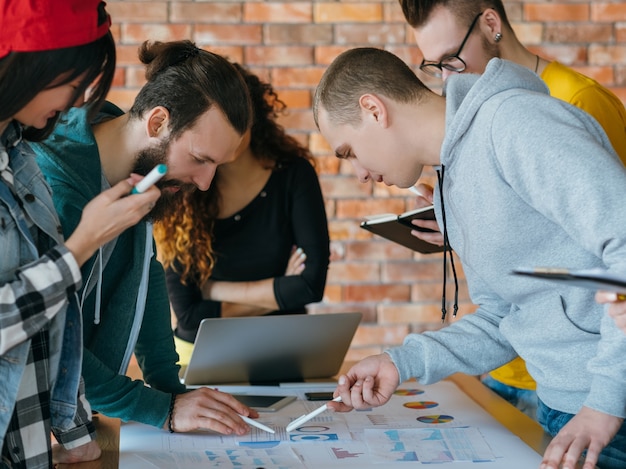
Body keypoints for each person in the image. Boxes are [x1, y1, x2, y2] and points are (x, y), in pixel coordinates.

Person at [314, 47, 626, 469]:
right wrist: (398, 361)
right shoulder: (449, 186)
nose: (361, 175)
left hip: (611, 412)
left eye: (349, 152)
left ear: (373, 109)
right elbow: (502, 317)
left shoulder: (517, 124)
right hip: (566, 408)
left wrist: (605, 403)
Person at [397, 0, 626, 420]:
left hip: (589, 384)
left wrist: (604, 402)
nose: (447, 79)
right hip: (521, 365)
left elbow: (608, 250)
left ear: (490, 23)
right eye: (435, 66)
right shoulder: (475, 125)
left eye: (451, 58)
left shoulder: (574, 101)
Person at [32, 40, 262, 436]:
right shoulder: (53, 186)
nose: (205, 184)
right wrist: (164, 408)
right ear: (157, 123)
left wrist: (171, 389)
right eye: (201, 160)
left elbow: (144, 274)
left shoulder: (143, 176)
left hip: (76, 418)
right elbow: (48, 345)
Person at [0, 1, 162, 467]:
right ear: (27, 67)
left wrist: (74, 433)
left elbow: (50, 327)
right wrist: (80, 248)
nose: (75, 101)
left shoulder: (21, 157)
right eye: (73, 82)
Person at [154, 63, 330, 365]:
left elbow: (310, 286)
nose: (226, 131)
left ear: (253, 117)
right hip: (201, 355)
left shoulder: (293, 176)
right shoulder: (184, 183)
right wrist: (279, 288)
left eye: (236, 119)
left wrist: (214, 290)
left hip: (284, 348)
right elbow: (190, 316)